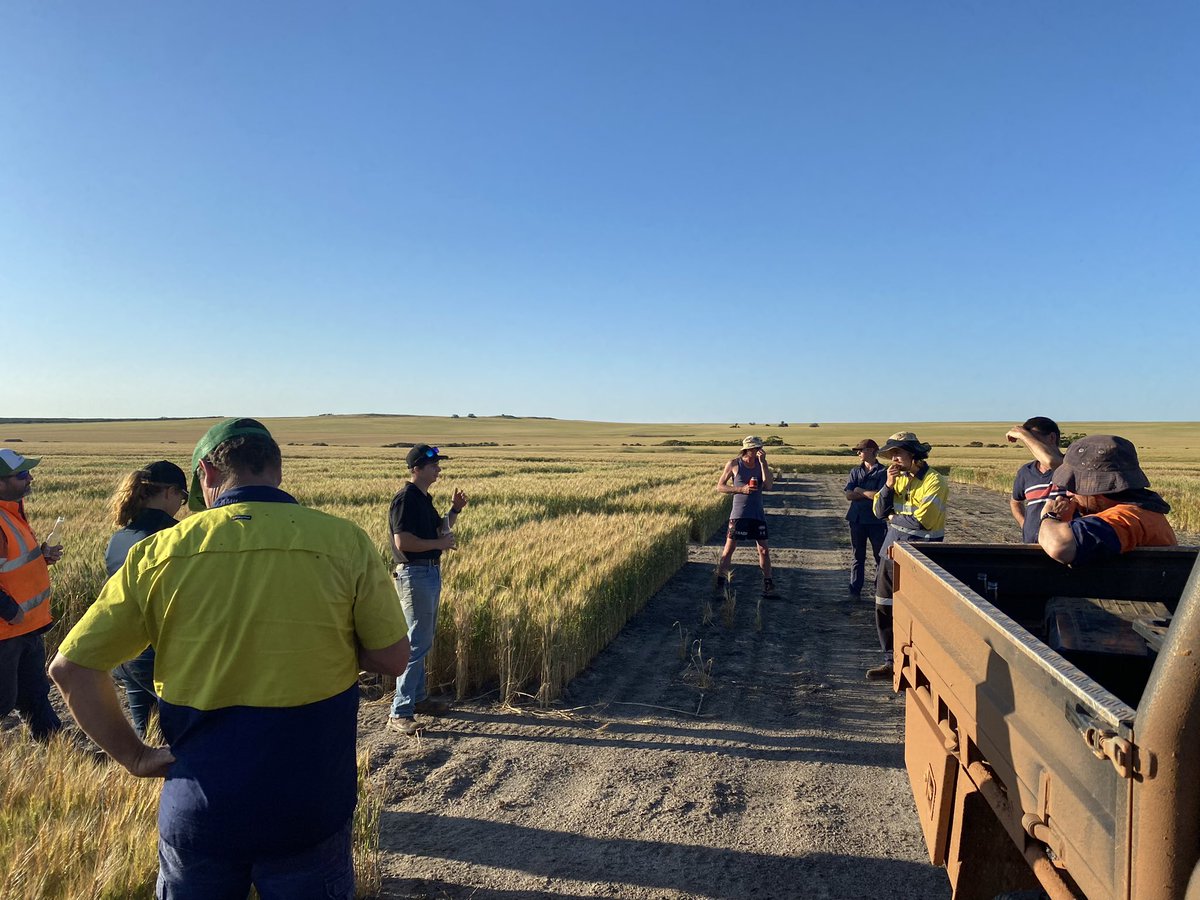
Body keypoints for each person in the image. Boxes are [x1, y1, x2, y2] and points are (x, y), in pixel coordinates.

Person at [50, 418, 410, 899]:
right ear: (277, 472)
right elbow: (393, 658)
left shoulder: (158, 553)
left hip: (200, 809)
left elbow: (70, 669)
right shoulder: (344, 541)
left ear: (206, 474)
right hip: (310, 806)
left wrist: (135, 756)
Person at [104, 461, 189, 738]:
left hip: (124, 655)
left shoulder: (119, 538)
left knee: (147, 738)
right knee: (183, 736)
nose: (182, 504)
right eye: (183, 498)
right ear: (170, 493)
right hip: (160, 655)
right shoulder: (176, 537)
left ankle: (143, 782)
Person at [387, 443, 468, 737]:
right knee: (416, 643)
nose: (439, 469)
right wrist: (438, 545)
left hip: (429, 572)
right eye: (434, 466)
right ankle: (400, 711)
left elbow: (439, 529)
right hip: (415, 573)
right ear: (417, 469)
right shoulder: (405, 499)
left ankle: (418, 699)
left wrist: (454, 511)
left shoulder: (423, 498)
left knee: (423, 639)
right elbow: (402, 543)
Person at [868, 432, 949, 681]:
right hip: (891, 553)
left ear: (914, 455)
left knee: (920, 612)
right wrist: (889, 486)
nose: (893, 459)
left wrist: (892, 517)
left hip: (922, 556)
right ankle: (890, 661)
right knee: (884, 606)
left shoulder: (934, 481)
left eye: (898, 453)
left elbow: (922, 521)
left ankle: (922, 664)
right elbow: (879, 511)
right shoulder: (897, 479)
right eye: (891, 454)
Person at [0, 448, 63, 741]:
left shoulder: (12, 513)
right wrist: (10, 610)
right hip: (6, 633)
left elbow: (10, 565)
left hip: (26, 629)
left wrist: (41, 557)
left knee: (35, 696)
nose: (30, 478)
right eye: (22, 474)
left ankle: (61, 757)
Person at [1037, 434, 1176, 565]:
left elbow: (1060, 547)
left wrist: (1050, 516)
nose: (1068, 492)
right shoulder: (1143, 512)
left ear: (1097, 489)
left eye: (1074, 486)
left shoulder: (1128, 518)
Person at [714, 436, 778, 600]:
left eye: (760, 448)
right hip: (739, 514)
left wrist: (763, 463)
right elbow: (720, 487)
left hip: (757, 513)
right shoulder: (734, 464)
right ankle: (720, 583)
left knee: (763, 550)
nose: (759, 451)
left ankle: (768, 584)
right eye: (756, 448)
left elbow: (769, 485)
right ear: (747, 449)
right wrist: (740, 489)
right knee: (729, 549)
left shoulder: (761, 464)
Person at [1007, 417, 1067, 544]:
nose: (1029, 443)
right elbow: (1015, 502)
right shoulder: (1026, 471)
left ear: (1051, 437)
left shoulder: (1069, 465)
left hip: (1063, 544)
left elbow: (1050, 461)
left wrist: (1023, 434)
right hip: (1032, 543)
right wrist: (1025, 525)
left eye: (1032, 438)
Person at [843, 439, 888, 598]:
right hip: (856, 520)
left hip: (876, 521)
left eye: (861, 450)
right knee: (857, 556)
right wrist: (868, 494)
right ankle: (854, 591)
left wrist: (860, 490)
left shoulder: (884, 472)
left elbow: (880, 496)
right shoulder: (855, 471)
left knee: (880, 557)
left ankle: (879, 591)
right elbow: (848, 495)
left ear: (870, 450)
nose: (858, 453)